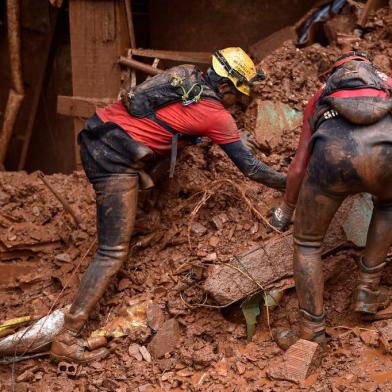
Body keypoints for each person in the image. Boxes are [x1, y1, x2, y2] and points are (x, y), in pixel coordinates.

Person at [50, 47, 287, 363]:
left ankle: (139, 198)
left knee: (175, 150)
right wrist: (292, 182)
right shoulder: (216, 115)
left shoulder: (186, 78)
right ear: (227, 87)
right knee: (112, 251)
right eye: (239, 94)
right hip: (113, 159)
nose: (239, 102)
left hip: (99, 133)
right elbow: (252, 169)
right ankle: (67, 338)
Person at [270, 51, 392, 346]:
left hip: (332, 159)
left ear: (334, 73)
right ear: (370, 68)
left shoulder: (322, 94)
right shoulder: (388, 83)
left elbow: (299, 164)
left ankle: (311, 332)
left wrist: (286, 211)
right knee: (389, 205)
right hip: (387, 157)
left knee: (308, 244)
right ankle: (366, 292)